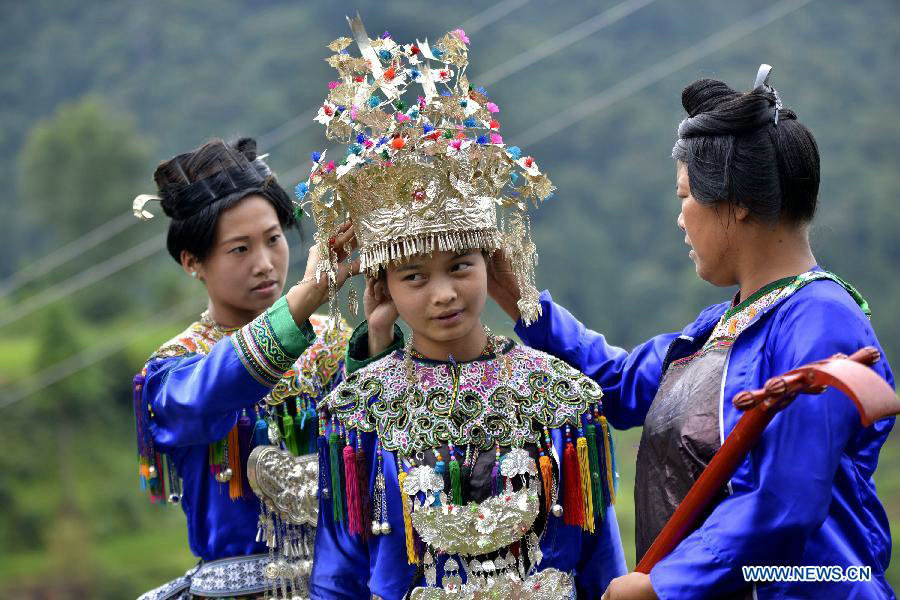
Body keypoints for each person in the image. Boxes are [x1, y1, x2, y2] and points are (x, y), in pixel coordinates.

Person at [488, 68, 896, 599]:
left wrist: (667, 585)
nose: (681, 219)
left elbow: (786, 499)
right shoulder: (718, 326)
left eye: (685, 196)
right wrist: (516, 298)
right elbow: (616, 382)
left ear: (734, 201)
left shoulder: (821, 320)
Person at [299, 20, 627, 599]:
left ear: (491, 263)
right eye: (414, 276)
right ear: (384, 287)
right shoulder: (356, 413)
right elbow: (339, 573)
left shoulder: (562, 395)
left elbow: (600, 561)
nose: (443, 294)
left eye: (459, 267)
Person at [131, 137, 358, 600]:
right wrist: (302, 301)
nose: (265, 264)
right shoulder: (174, 369)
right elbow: (213, 390)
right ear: (193, 262)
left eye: (274, 240)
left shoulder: (334, 340)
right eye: (239, 250)